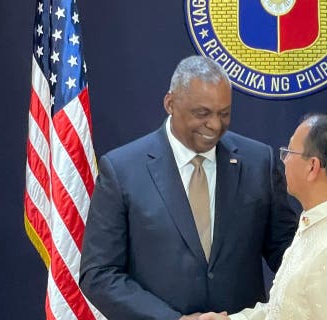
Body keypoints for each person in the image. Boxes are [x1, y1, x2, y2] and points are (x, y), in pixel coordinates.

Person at [79, 55, 299, 320]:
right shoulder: (122, 170)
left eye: (224, 113)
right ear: (170, 103)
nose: (215, 125)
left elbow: (288, 253)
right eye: (202, 113)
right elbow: (99, 274)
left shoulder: (258, 162)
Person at [201, 114, 327, 320]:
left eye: (288, 152)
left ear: (312, 167)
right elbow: (284, 309)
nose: (284, 161)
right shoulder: (317, 222)